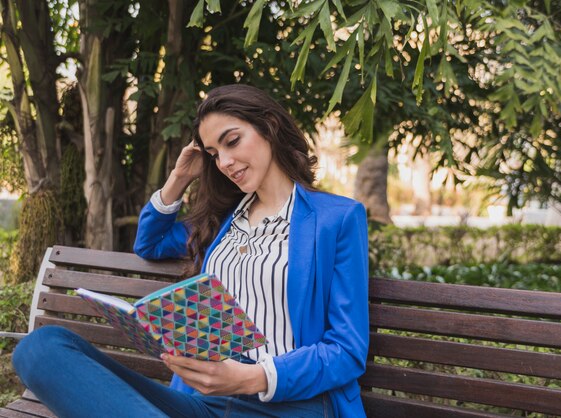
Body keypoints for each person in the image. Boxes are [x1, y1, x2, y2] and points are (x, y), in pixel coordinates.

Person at [12, 84, 369, 418]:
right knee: (41, 348)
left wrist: (250, 377)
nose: (225, 162)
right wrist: (180, 177)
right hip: (203, 401)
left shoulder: (335, 219)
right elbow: (148, 244)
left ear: (270, 127)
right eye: (214, 154)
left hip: (287, 402)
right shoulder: (221, 223)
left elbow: (347, 351)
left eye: (232, 141)